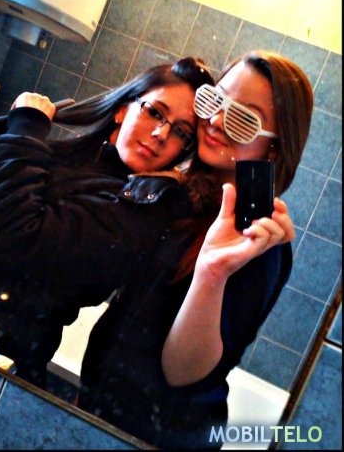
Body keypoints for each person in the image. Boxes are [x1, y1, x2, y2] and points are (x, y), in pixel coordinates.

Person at [77, 50, 314, 449]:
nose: (217, 120)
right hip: (100, 409)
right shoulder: (186, 194)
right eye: (214, 100)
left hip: (162, 436)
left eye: (243, 119)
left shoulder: (260, 239)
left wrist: (211, 274)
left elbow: (183, 374)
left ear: (273, 150)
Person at [0, 57, 215, 388]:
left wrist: (26, 129)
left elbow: (10, 241)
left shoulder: (142, 213)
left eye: (180, 131)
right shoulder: (78, 160)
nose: (160, 133)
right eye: (154, 112)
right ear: (122, 110)